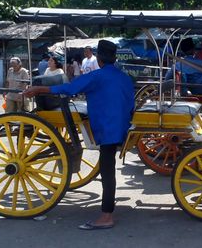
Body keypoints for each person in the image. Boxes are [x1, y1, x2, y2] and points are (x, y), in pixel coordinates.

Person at [23, 40, 134, 230]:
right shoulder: (124, 78)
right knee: (107, 168)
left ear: (99, 59)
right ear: (114, 59)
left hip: (108, 129)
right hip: (122, 126)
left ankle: (107, 216)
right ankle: (107, 212)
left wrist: (39, 89)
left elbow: (69, 89)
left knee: (107, 171)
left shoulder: (97, 76)